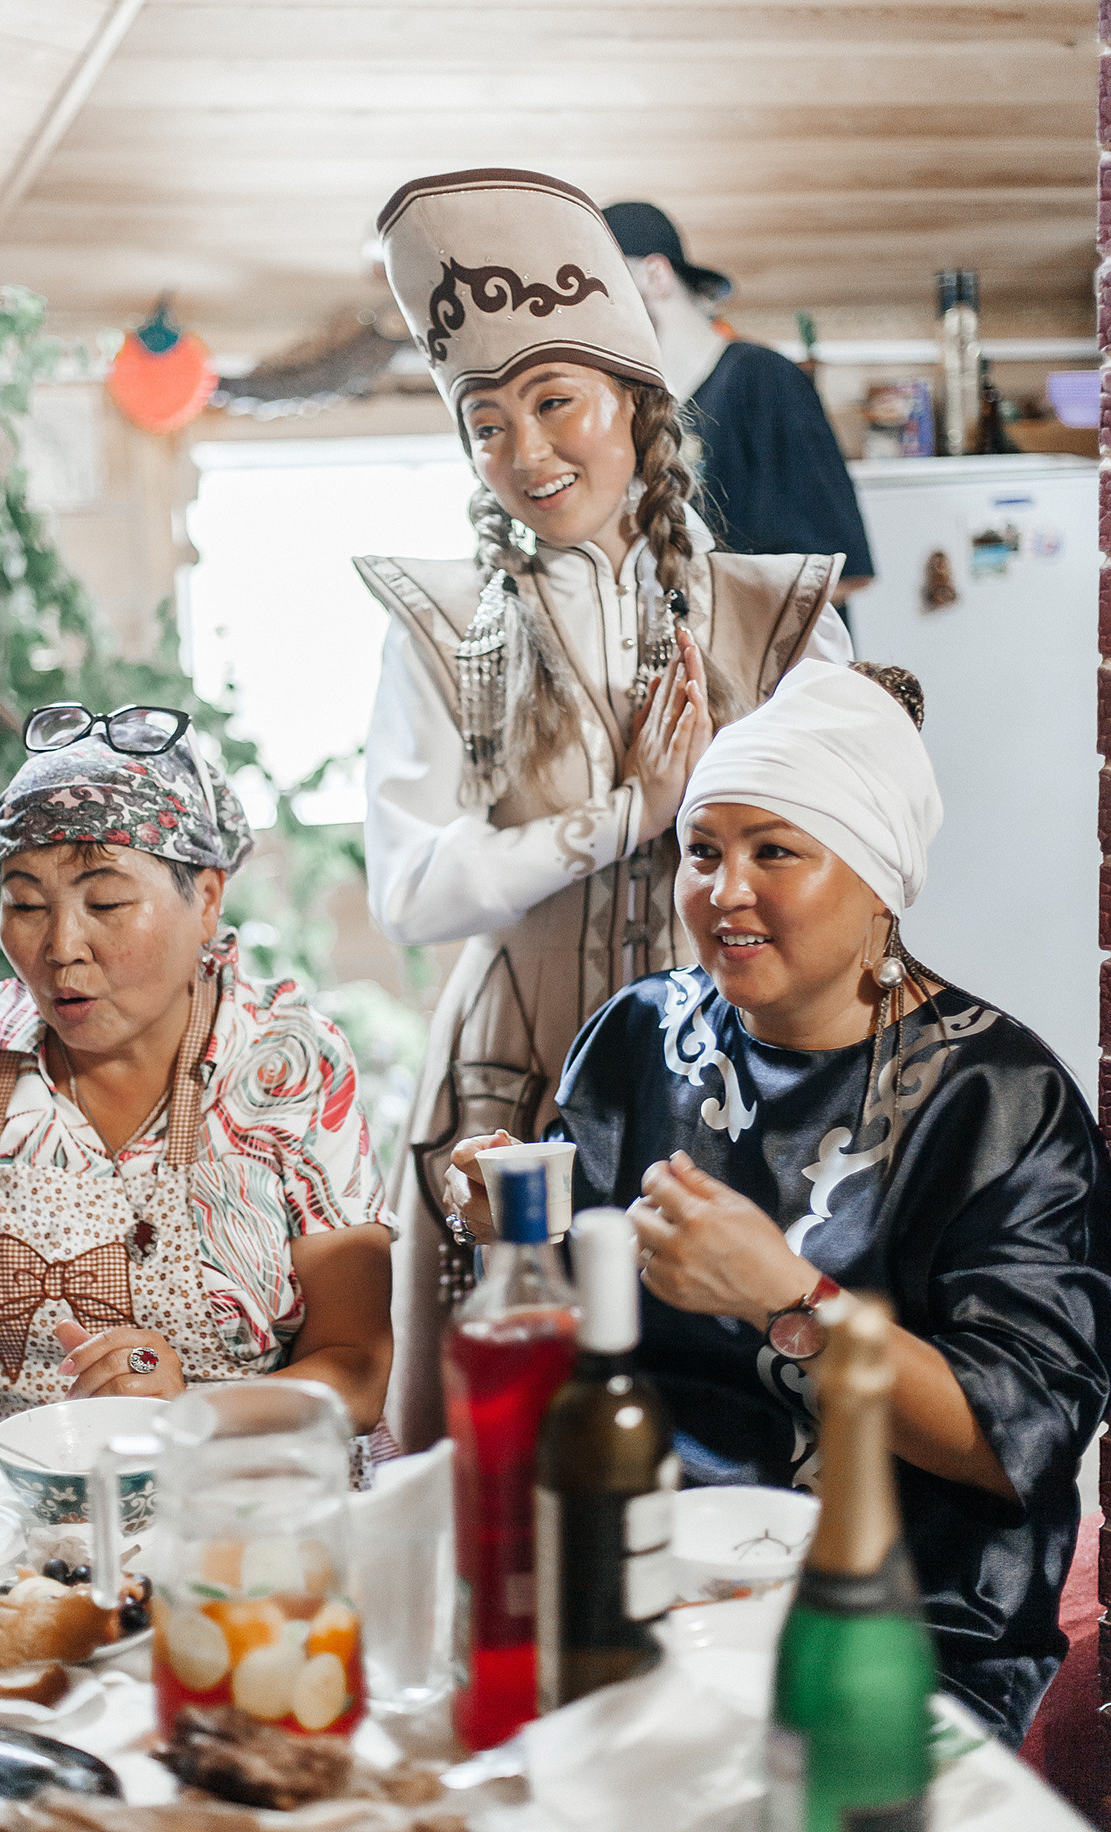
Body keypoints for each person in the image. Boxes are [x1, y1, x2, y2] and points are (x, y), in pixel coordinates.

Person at [447, 660, 1111, 1746]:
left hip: (901, 1609)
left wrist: (785, 1299)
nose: (725, 891)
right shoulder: (636, 1037)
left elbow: (1014, 1438)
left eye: (774, 852)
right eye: (701, 852)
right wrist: (508, 1224)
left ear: (876, 880)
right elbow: (571, 1312)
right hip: (642, 1562)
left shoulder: (1001, 1098)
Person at [358, 166, 855, 1453]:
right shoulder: (438, 630)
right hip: (506, 1088)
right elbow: (411, 892)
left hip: (734, 1080)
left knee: (732, 1447)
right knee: (510, 1466)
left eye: (555, 401)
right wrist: (630, 812)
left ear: (636, 405)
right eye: (485, 421)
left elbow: (857, 868)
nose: (525, 452)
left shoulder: (783, 618)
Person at [0, 707, 393, 1450]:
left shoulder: (287, 1066)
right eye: (26, 905)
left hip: (241, 1509)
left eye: (107, 902)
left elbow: (358, 1375)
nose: (62, 947)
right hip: (11, 1532)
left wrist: (183, 1411)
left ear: (208, 900)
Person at [603, 201, 874, 605]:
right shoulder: (641, 407)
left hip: (778, 666)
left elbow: (843, 572)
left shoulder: (764, 378)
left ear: (655, 275)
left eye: (605, 281)